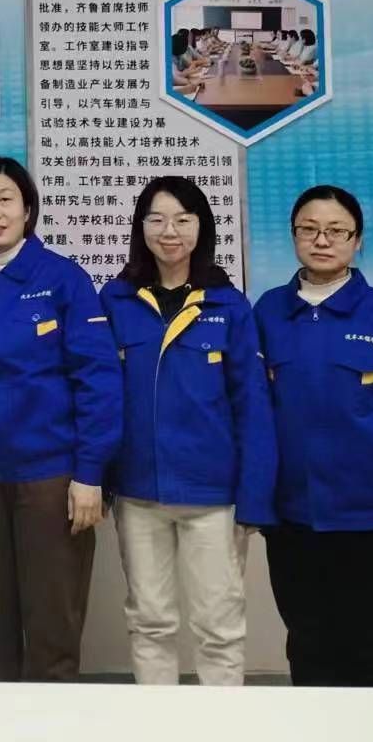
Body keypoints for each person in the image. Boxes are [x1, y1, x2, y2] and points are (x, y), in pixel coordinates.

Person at [0, 155, 121, 681]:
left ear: (27, 209)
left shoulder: (63, 279)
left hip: (51, 474)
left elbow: (98, 381)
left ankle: (52, 717)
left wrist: (90, 474)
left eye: (5, 199)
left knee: (54, 617)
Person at [253, 186, 373, 687]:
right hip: (294, 520)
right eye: (309, 229)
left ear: (357, 240)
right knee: (308, 646)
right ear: (294, 235)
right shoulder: (268, 313)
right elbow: (252, 405)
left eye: (336, 231)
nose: (322, 241)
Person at [100, 177, 274, 686]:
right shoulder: (115, 299)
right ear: (140, 228)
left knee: (218, 628)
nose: (169, 231)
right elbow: (97, 395)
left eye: (182, 219)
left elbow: (253, 407)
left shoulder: (228, 305)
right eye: (156, 219)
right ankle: (159, 723)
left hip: (213, 495)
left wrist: (254, 498)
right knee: (149, 622)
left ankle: (221, 724)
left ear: (202, 227)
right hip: (138, 491)